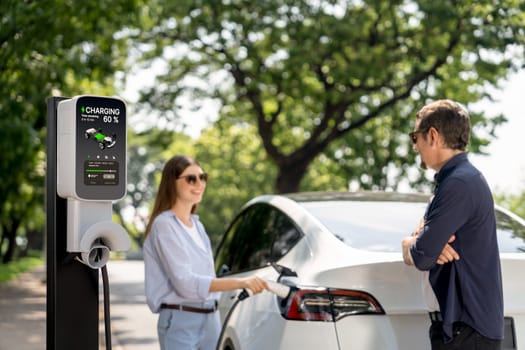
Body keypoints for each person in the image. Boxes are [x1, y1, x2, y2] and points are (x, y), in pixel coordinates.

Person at [401, 100, 504, 349]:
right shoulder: (457, 181)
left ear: (433, 135)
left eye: (416, 137)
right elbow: (425, 245)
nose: (415, 147)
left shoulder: (459, 184)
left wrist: (415, 243)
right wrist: (418, 241)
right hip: (463, 329)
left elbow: (424, 256)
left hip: (466, 331)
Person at [143, 155, 268, 350]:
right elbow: (185, 283)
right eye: (191, 178)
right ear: (172, 182)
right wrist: (240, 282)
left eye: (203, 177)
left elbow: (206, 276)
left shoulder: (197, 225)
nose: (199, 183)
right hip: (181, 320)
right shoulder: (164, 225)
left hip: (211, 319)